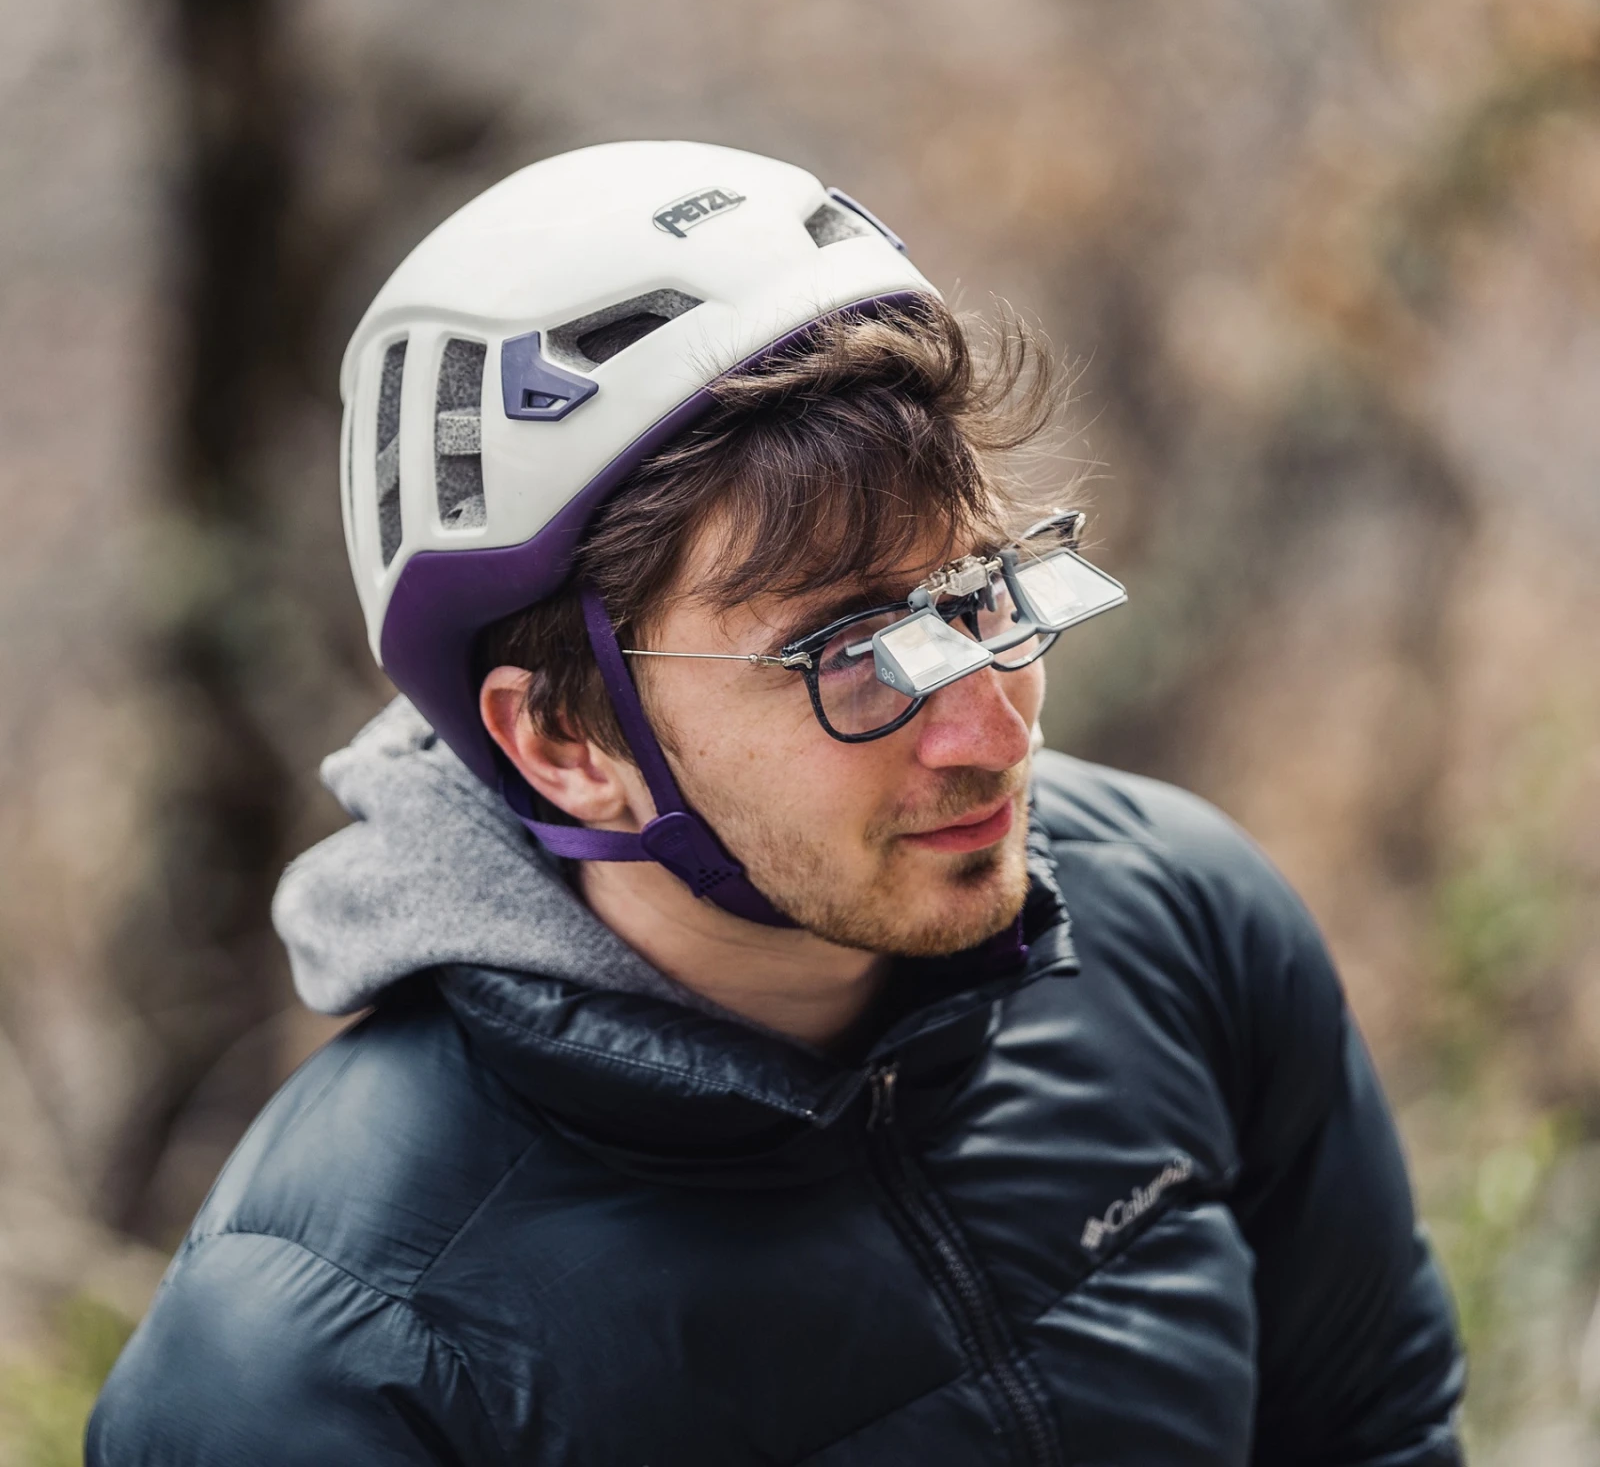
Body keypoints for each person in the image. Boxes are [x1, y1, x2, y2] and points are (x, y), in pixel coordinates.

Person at [88, 142, 1464, 1465]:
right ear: (564, 739)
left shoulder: (1178, 920)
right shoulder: (311, 1369)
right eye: (850, 653)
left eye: (980, 596)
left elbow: (1376, 1434)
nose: (994, 732)